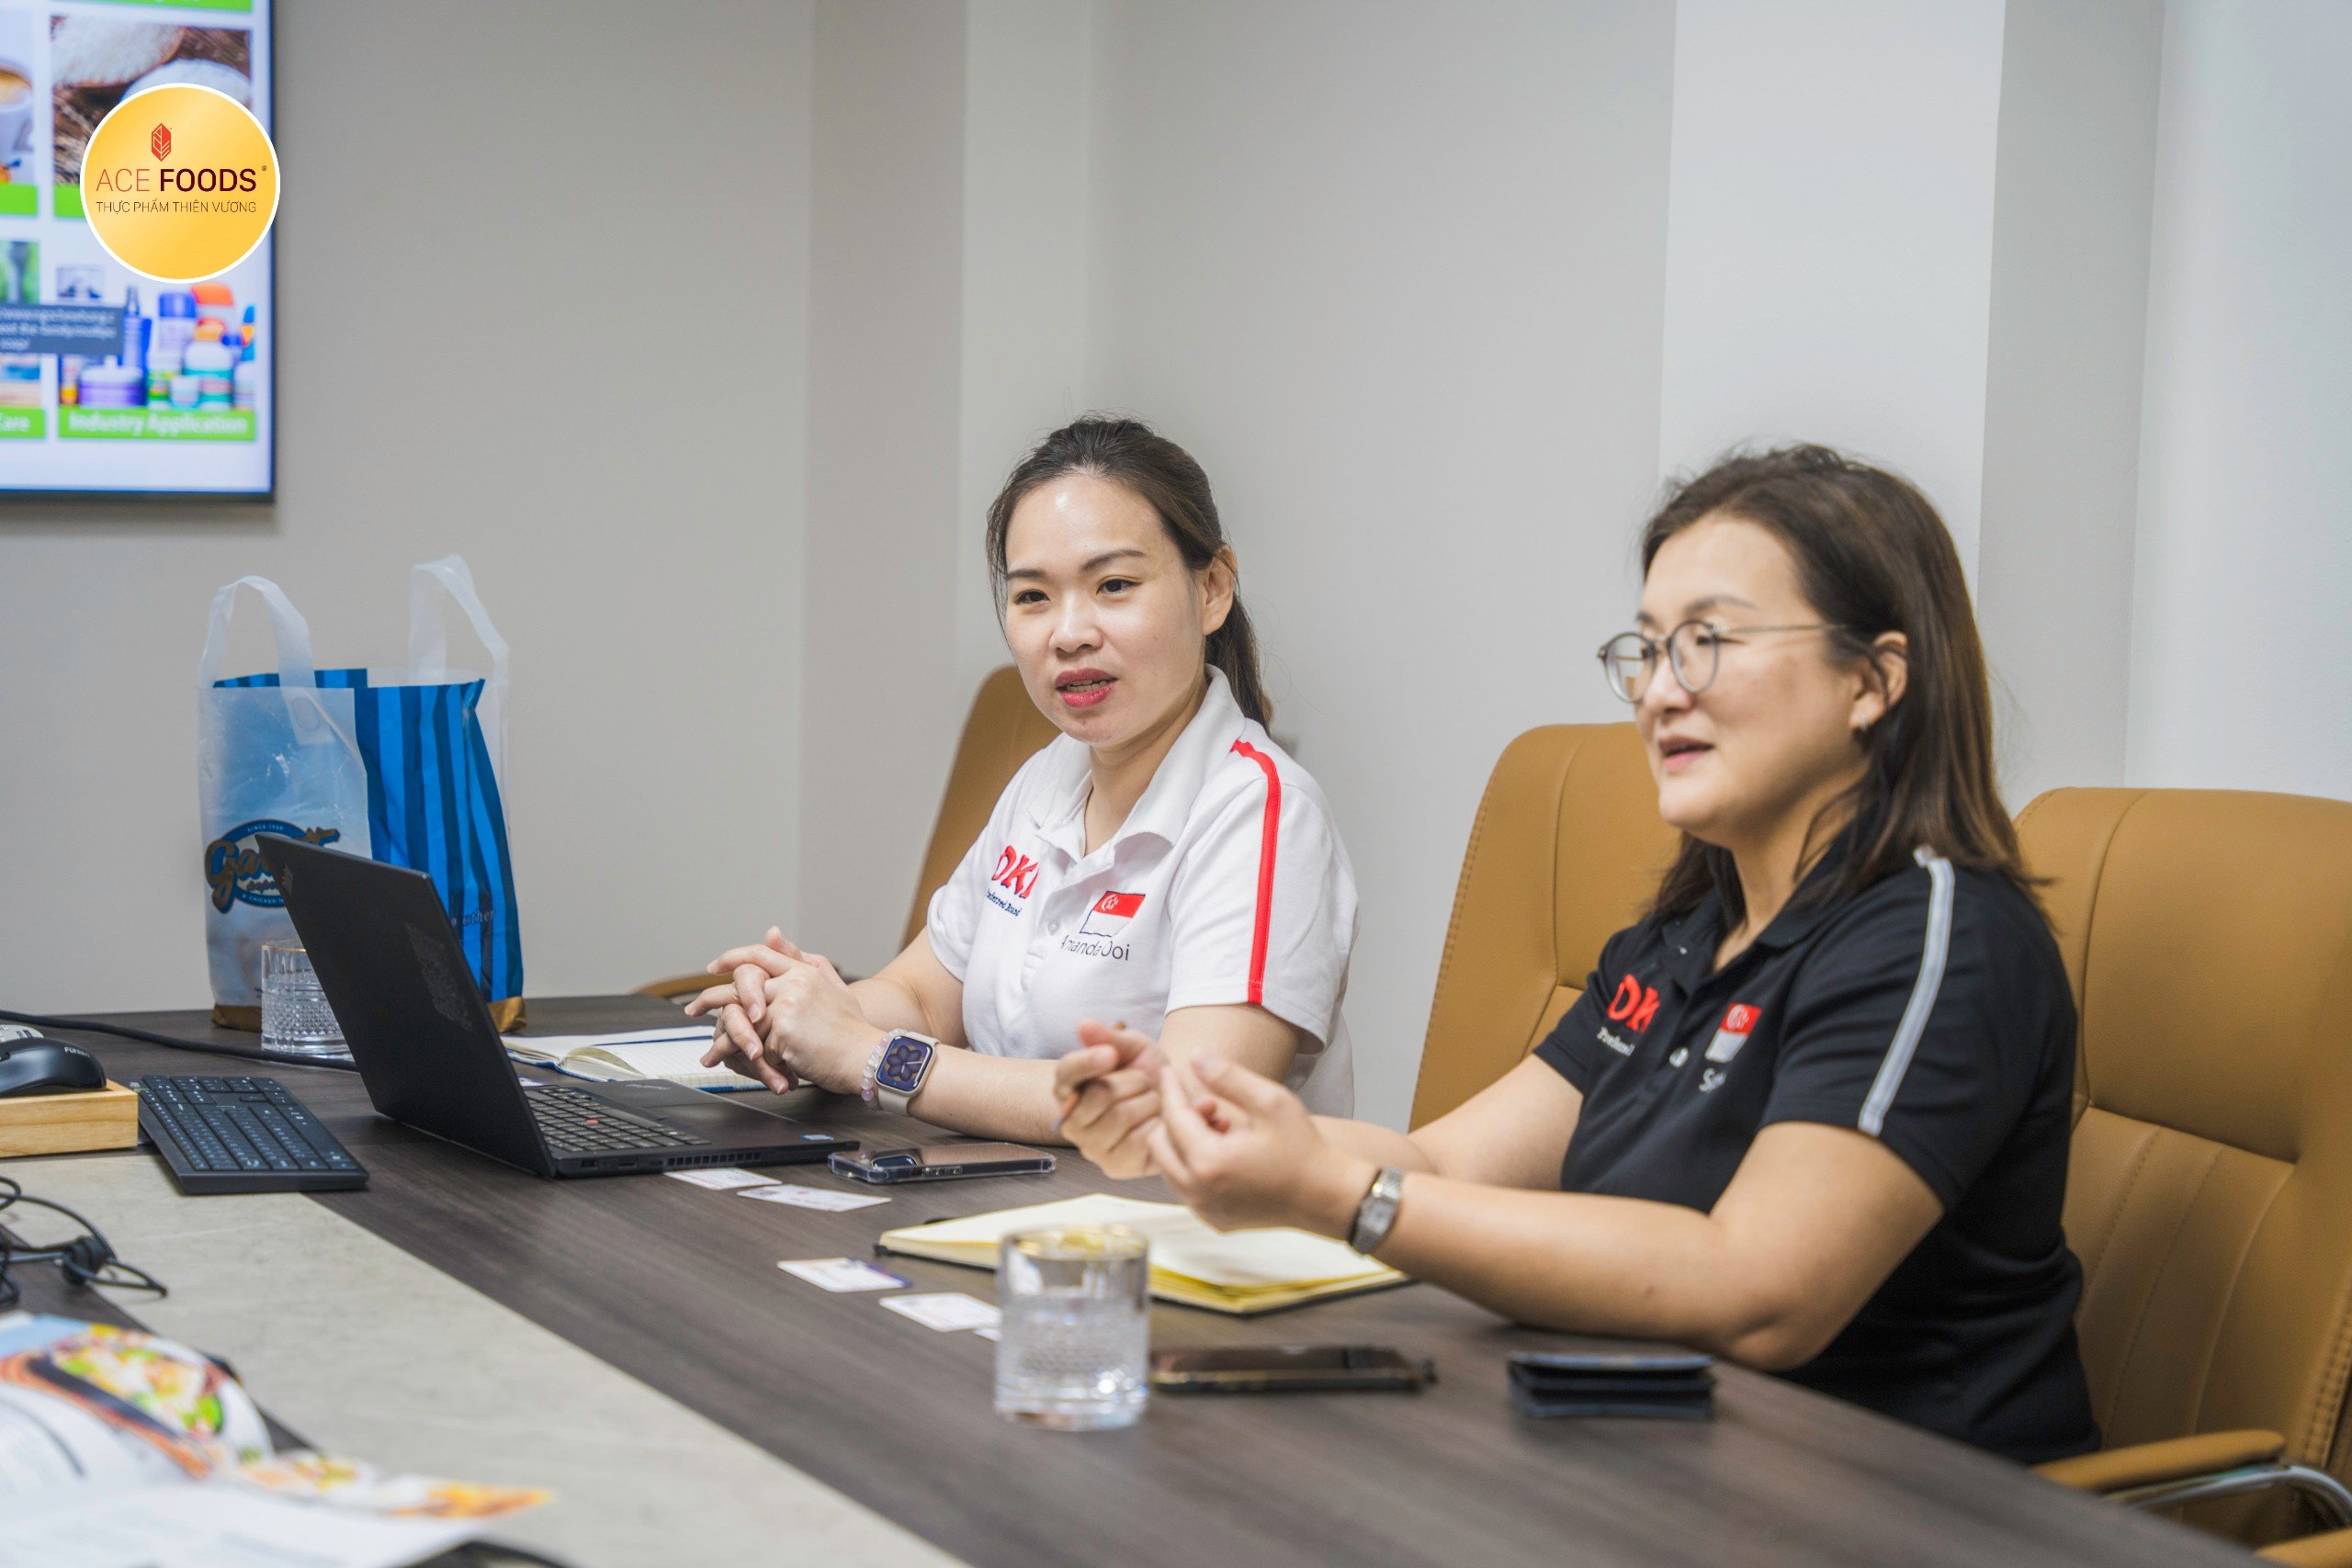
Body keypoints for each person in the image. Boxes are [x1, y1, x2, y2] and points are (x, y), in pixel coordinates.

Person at [1056, 445, 2099, 1463]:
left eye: (1708, 642)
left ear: (1871, 680)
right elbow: (1447, 1163)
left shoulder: (1938, 938)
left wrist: (1337, 1195)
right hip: (1661, 1455)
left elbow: (1760, 1290)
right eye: (1647, 651)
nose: (1659, 693)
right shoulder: (1685, 937)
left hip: (1888, 1505)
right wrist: (1209, 1123)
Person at [686, 416, 1358, 1142]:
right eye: (1034, 596)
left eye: (1114, 584)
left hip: (1169, 1214)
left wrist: (870, 1056)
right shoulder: (1048, 778)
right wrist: (796, 1015)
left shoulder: (1262, 811)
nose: (1069, 634)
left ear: (1213, 589)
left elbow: (1185, 1106)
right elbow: (922, 995)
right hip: (1012, 1194)